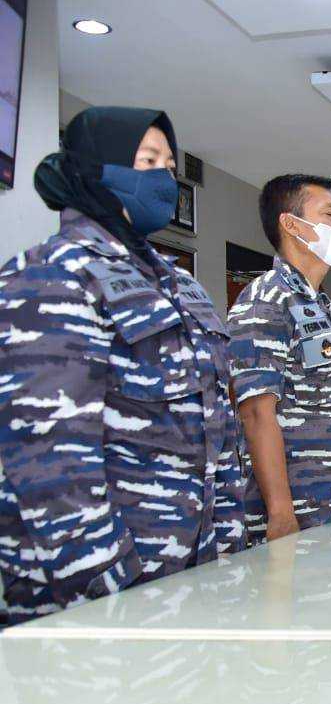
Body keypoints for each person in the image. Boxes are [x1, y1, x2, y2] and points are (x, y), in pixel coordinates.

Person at [0, 106, 245, 624]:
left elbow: (219, 426)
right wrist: (113, 589)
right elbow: (51, 462)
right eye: (147, 160)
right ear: (95, 169)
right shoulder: (51, 277)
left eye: (170, 166)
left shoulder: (181, 286)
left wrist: (228, 548)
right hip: (97, 599)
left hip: (193, 580)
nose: (164, 178)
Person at [228, 174, 331, 543]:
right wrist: (281, 514)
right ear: (292, 224)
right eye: (330, 215)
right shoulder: (267, 299)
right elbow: (256, 412)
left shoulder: (324, 306)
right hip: (299, 516)